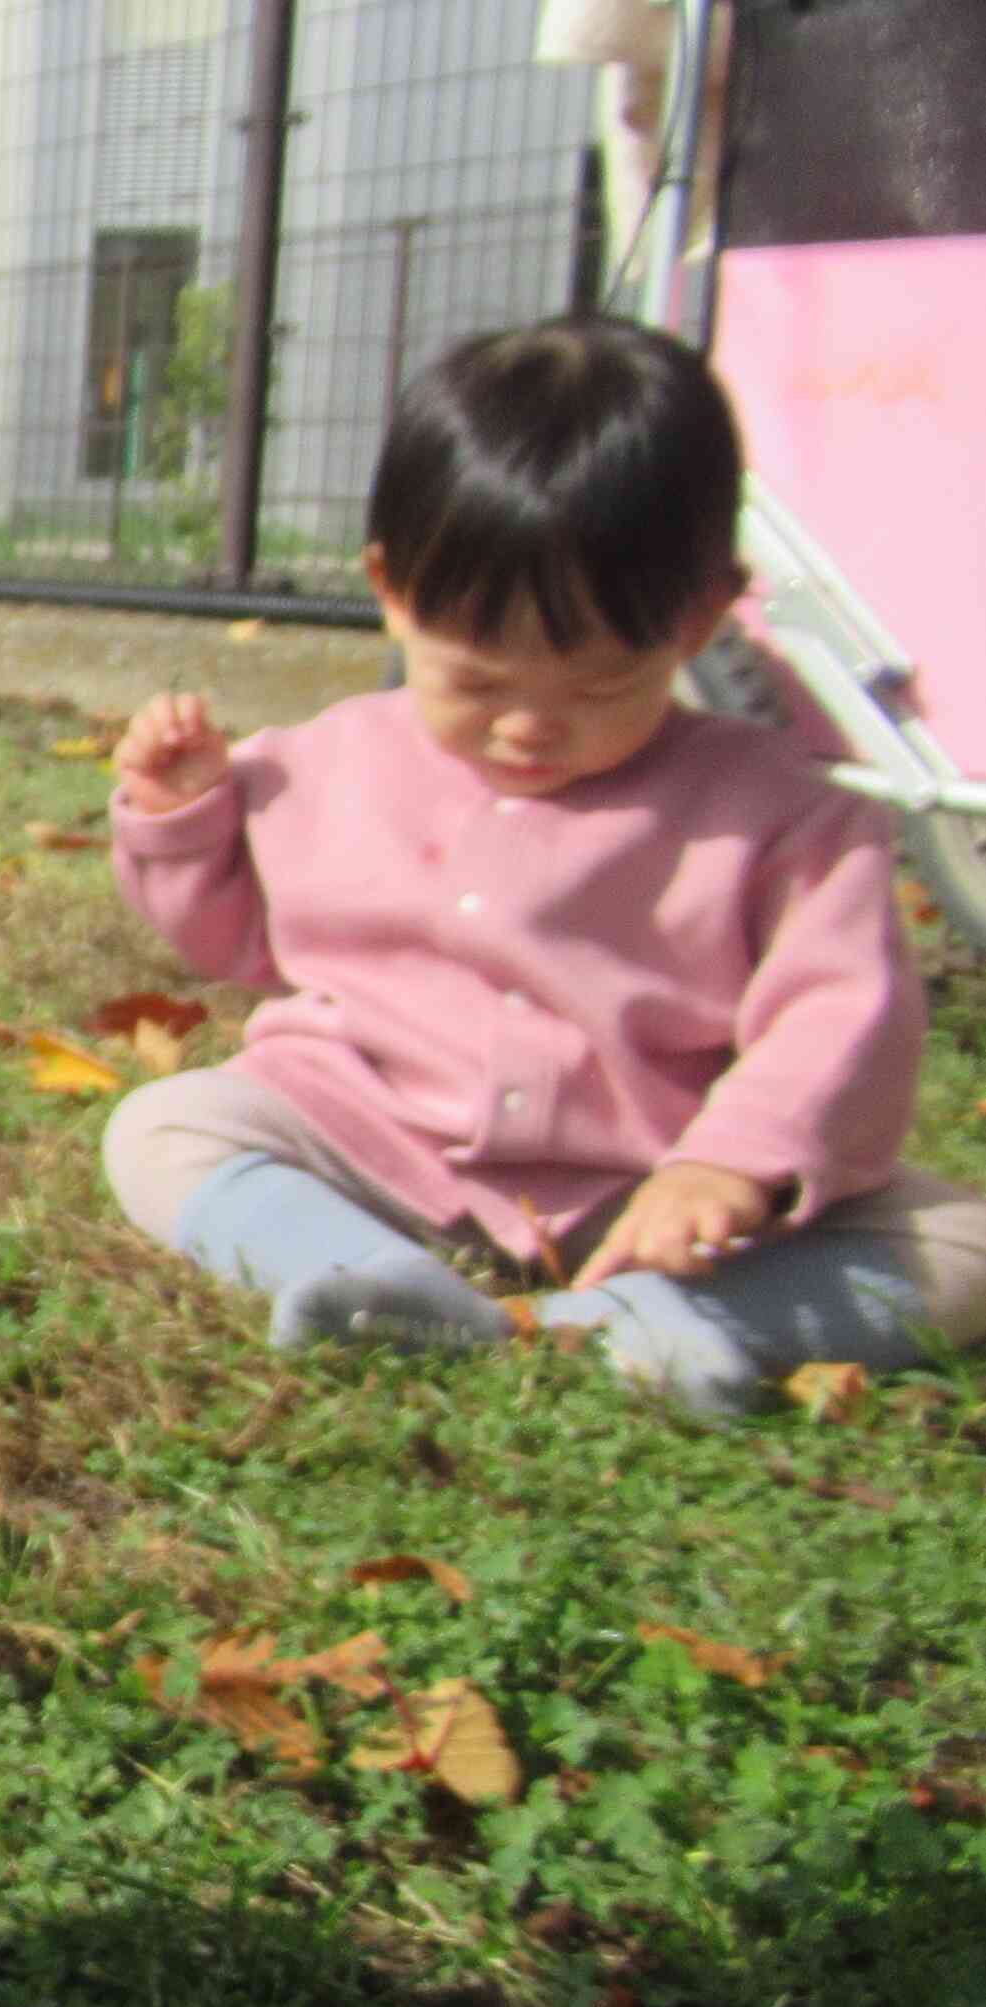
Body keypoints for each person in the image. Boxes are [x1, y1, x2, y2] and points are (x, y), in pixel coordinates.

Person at [104, 312, 986, 1416]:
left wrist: (730, 1165)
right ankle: (348, 1270)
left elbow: (835, 1017)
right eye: (474, 684)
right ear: (390, 588)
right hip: (378, 1140)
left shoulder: (783, 817)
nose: (526, 727)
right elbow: (228, 938)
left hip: (653, 1191)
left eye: (597, 689)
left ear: (702, 615)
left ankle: (640, 1322)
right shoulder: (326, 759)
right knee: (162, 1125)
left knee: (961, 1240)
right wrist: (182, 818)